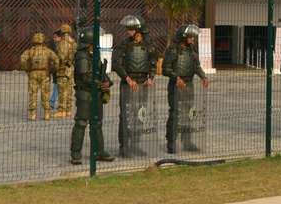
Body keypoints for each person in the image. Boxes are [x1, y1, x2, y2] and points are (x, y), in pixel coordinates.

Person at [70, 27, 115, 164]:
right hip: (85, 93)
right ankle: (76, 154)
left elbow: (102, 72)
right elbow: (85, 77)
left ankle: (98, 152)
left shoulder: (93, 55)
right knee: (81, 123)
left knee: (97, 124)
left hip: (96, 93)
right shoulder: (82, 56)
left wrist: (107, 82)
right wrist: (99, 84)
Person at [163, 24, 210, 154]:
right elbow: (165, 69)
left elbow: (197, 67)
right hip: (176, 86)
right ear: (184, 37)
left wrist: (203, 77)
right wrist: (176, 78)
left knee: (189, 113)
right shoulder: (172, 50)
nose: (193, 39)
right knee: (175, 113)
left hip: (189, 85)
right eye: (191, 37)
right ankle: (171, 142)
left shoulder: (192, 51)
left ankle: (187, 142)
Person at [113, 26, 157, 157]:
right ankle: (124, 147)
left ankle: (135, 145)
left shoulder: (148, 45)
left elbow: (153, 63)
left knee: (140, 114)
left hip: (143, 84)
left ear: (140, 33)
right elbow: (116, 63)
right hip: (128, 84)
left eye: (133, 30)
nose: (130, 32)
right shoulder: (124, 44)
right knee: (126, 115)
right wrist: (127, 78)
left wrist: (151, 77)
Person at [19, 32, 59, 121]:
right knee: (45, 93)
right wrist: (53, 69)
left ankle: (32, 114)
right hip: (45, 74)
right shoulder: (47, 51)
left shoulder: (30, 51)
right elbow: (56, 60)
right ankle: (47, 113)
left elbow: (22, 60)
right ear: (43, 40)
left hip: (33, 73)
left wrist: (27, 69)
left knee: (33, 93)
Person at [54, 23, 76, 118]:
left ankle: (61, 110)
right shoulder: (73, 42)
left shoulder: (63, 42)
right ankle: (68, 110)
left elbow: (61, 56)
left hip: (63, 69)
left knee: (62, 90)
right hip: (70, 68)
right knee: (69, 90)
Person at [49, 30, 62, 114]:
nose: (54, 39)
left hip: (61, 69)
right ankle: (52, 102)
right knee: (56, 86)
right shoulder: (53, 45)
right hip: (56, 69)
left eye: (55, 37)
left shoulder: (61, 46)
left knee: (57, 86)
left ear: (60, 37)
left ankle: (52, 102)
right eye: (53, 37)